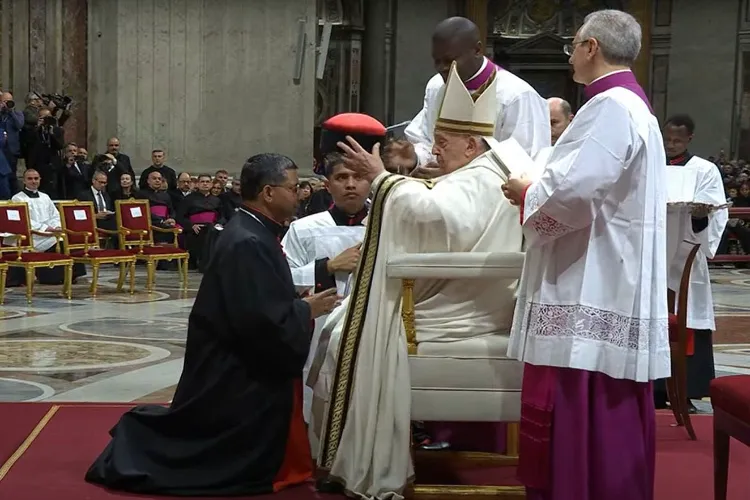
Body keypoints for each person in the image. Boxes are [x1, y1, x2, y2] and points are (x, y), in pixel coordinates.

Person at [309, 60, 531, 498]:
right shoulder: (485, 171)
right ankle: (339, 454)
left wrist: (383, 180)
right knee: (341, 328)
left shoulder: (485, 175)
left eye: (443, 143)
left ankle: (355, 459)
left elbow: (441, 215)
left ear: (471, 145)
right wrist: (406, 182)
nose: (434, 151)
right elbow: (446, 211)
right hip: (474, 297)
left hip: (461, 309)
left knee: (347, 334)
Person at [85, 153, 341, 496]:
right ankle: (138, 442)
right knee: (206, 452)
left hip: (230, 351)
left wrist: (295, 305)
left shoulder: (252, 229)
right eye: (293, 188)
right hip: (235, 366)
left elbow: (258, 300)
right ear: (268, 192)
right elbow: (258, 321)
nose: (298, 194)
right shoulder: (248, 241)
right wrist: (304, 311)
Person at [501, 10, 668, 500]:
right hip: (610, 271)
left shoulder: (610, 106)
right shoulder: (634, 106)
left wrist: (525, 190)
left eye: (573, 44)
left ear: (591, 47)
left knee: (585, 394)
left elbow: (575, 192)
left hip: (591, 280)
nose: (570, 53)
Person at [282, 144, 372, 425]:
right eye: (342, 178)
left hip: (371, 322)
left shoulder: (387, 225)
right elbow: (283, 278)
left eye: (359, 177)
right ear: (327, 185)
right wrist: (327, 267)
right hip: (321, 325)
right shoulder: (305, 228)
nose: (351, 184)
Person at [401, 16, 549, 178]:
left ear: (477, 50)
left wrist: (454, 174)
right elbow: (426, 140)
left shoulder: (517, 96)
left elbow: (526, 167)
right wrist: (414, 158)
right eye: (437, 61)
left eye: (449, 61)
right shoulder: (436, 86)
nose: (441, 68)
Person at [656, 114, 728, 412]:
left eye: (677, 140)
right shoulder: (653, 167)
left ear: (689, 139)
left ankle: (685, 390)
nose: (671, 145)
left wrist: (699, 215)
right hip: (654, 254)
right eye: (668, 139)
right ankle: (655, 391)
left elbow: (715, 213)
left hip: (687, 254)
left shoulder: (704, 170)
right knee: (655, 319)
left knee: (686, 317)